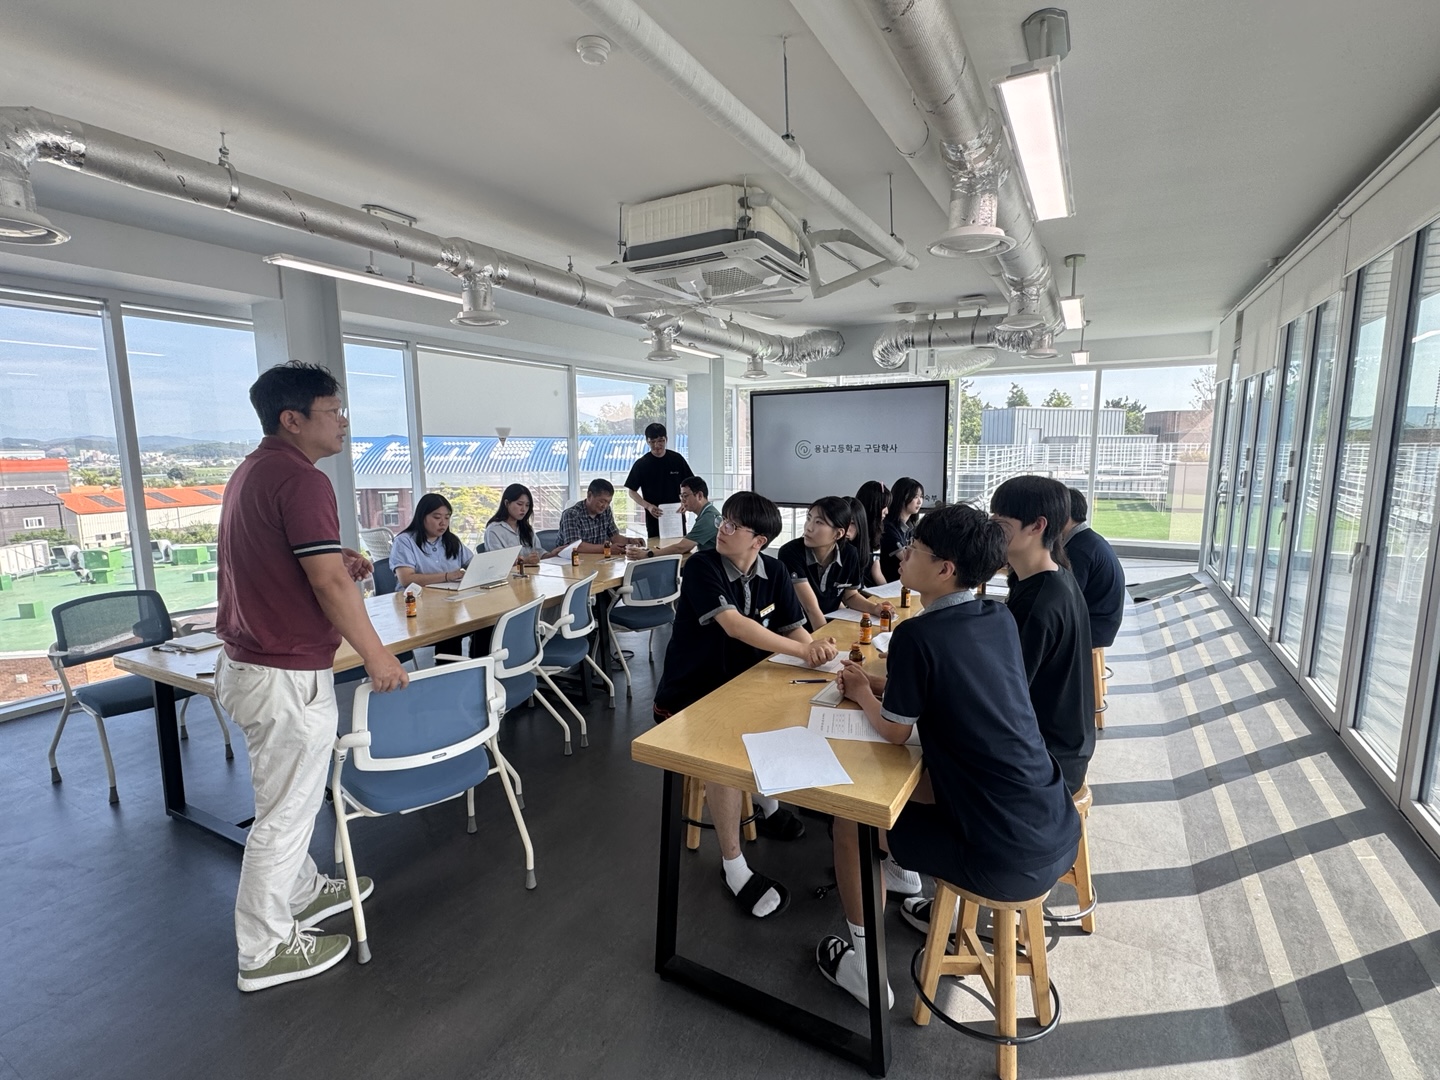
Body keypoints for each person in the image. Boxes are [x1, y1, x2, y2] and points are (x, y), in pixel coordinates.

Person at [816, 504, 1081, 1008]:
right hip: (1052, 825)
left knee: (851, 819)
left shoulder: (917, 635)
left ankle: (865, 969)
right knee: (911, 790)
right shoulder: (997, 615)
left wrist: (864, 694)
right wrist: (876, 684)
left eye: (913, 549)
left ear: (945, 569)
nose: (901, 555)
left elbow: (895, 731)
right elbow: (945, 685)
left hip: (1000, 857)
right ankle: (905, 877)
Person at [213, 361, 409, 993]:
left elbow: (289, 560)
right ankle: (263, 947)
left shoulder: (254, 470)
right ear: (292, 419)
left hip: (251, 663)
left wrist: (336, 557)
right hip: (284, 673)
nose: (344, 422)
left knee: (284, 797)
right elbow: (327, 584)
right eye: (333, 411)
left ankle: (298, 891)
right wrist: (377, 655)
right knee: (286, 812)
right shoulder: (300, 479)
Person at [653, 491, 839, 919]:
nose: (723, 529)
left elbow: (793, 628)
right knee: (724, 750)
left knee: (788, 705)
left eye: (734, 525)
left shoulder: (774, 571)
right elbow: (736, 626)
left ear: (759, 541)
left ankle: (766, 804)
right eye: (725, 521)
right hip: (689, 696)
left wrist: (820, 653)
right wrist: (803, 651)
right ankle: (733, 865)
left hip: (741, 686)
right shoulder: (701, 567)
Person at [989, 476, 1095, 794]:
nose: (992, 529)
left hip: (1048, 761)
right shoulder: (1056, 577)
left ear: (1037, 526)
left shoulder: (1039, 604)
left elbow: (1003, 699)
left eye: (1002, 522)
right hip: (1066, 748)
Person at [777, 496, 894, 633]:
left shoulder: (849, 554)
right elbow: (811, 608)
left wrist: (874, 608)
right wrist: (825, 640)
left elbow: (850, 596)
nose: (808, 527)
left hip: (830, 623)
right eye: (809, 518)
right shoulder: (790, 552)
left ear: (838, 533)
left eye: (819, 522)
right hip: (795, 630)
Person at [389, 493, 478, 659]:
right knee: (450, 629)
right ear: (422, 517)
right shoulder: (405, 541)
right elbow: (406, 579)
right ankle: (450, 672)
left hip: (449, 601)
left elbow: (473, 564)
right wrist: (447, 576)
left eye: (447, 517)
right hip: (416, 605)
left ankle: (482, 668)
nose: (443, 523)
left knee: (485, 623)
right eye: (437, 517)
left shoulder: (450, 540)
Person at [1063, 487, 1125, 649]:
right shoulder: (1087, 539)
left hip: (1094, 629)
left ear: (1064, 515)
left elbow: (1067, 597)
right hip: (1103, 623)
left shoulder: (1078, 550)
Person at [624, 422, 693, 542]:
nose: (657, 445)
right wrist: (648, 506)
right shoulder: (642, 464)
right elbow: (631, 491)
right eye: (653, 442)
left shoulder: (677, 459)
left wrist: (685, 503)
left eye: (661, 440)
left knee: (680, 546)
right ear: (647, 441)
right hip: (654, 516)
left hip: (676, 514)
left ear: (666, 439)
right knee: (656, 547)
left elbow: (691, 484)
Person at [626, 474, 719, 559]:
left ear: (699, 496)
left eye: (685, 496)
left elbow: (681, 548)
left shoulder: (708, 518)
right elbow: (686, 546)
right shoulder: (709, 513)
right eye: (681, 496)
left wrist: (647, 554)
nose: (682, 501)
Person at [556, 478, 643, 553]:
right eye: (602, 501)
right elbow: (575, 546)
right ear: (589, 495)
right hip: (571, 561)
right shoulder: (571, 514)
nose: (604, 506)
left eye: (608, 502)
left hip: (597, 559)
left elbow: (614, 537)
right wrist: (607, 549)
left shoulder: (606, 511)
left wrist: (630, 541)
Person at [483, 483, 545, 565]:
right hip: (509, 573)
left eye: (527, 505)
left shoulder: (526, 528)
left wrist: (552, 554)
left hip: (530, 572)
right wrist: (524, 561)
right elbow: (498, 561)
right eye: (519, 504)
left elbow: (538, 552)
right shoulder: (494, 530)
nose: (524, 509)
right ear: (507, 503)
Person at [879, 477, 924, 582]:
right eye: (915, 497)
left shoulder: (911, 527)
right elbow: (907, 558)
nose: (920, 501)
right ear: (902, 497)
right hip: (891, 584)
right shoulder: (888, 528)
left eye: (921, 497)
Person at [855, 480, 889, 587]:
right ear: (872, 506)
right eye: (884, 506)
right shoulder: (853, 533)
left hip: (870, 590)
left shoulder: (876, 532)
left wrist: (888, 591)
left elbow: (876, 571)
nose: (887, 511)